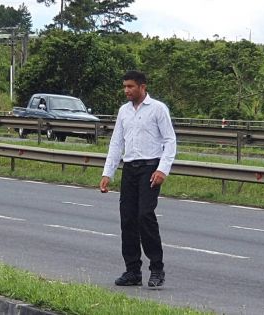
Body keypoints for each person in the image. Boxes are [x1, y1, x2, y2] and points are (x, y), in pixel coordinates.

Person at [99, 70, 176, 288]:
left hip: (150, 167)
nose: (126, 91)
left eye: (130, 86)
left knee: (145, 216)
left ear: (143, 87)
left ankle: (157, 268)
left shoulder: (158, 109)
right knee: (128, 219)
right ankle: (132, 270)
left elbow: (170, 141)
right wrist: (108, 172)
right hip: (130, 168)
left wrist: (163, 170)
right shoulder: (124, 111)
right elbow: (116, 143)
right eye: (124, 86)